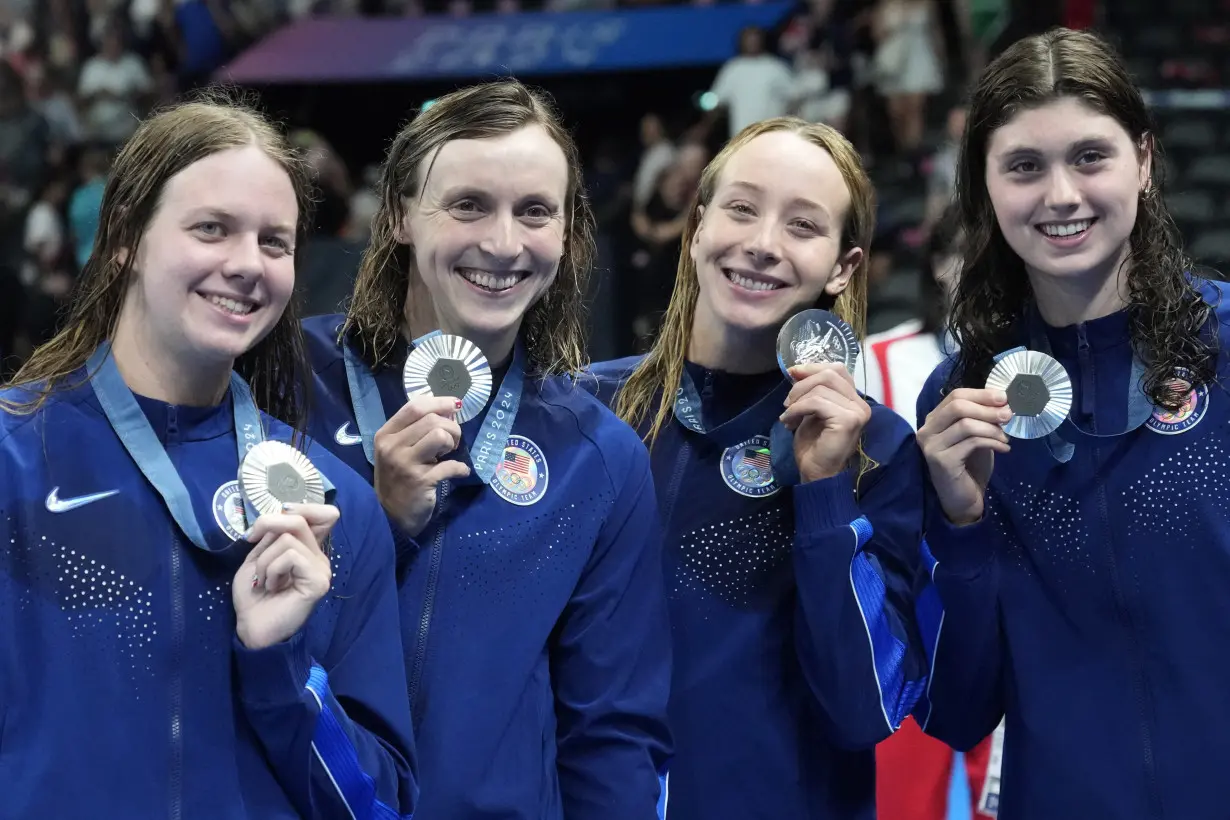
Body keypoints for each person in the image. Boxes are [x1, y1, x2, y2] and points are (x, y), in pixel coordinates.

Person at [0, 91, 417, 818]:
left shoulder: (333, 507)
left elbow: (376, 806)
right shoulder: (12, 461)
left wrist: (282, 667)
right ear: (126, 235)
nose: (246, 264)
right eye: (211, 229)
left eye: (274, 242)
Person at [300, 79, 672, 819]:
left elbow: (612, 735)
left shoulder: (598, 455)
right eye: (468, 205)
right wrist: (376, 525)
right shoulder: (285, 384)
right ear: (401, 214)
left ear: (566, 233)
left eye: (534, 211)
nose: (503, 244)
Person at [915, 28, 1229, 817]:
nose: (1060, 195)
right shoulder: (960, 407)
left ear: (1145, 162)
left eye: (1091, 156)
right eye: (1024, 166)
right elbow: (955, 711)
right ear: (984, 187)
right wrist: (958, 523)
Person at [588, 116, 927, 820]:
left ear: (844, 266)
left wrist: (826, 496)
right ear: (699, 226)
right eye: (741, 209)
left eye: (803, 226)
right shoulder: (589, 412)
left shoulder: (878, 449)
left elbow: (867, 708)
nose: (763, 244)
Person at [864, 205, 1002, 820]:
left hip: (1006, 603)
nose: (975, 270)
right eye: (959, 254)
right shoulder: (875, 361)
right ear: (937, 269)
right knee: (906, 801)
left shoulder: (1038, 372)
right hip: (910, 617)